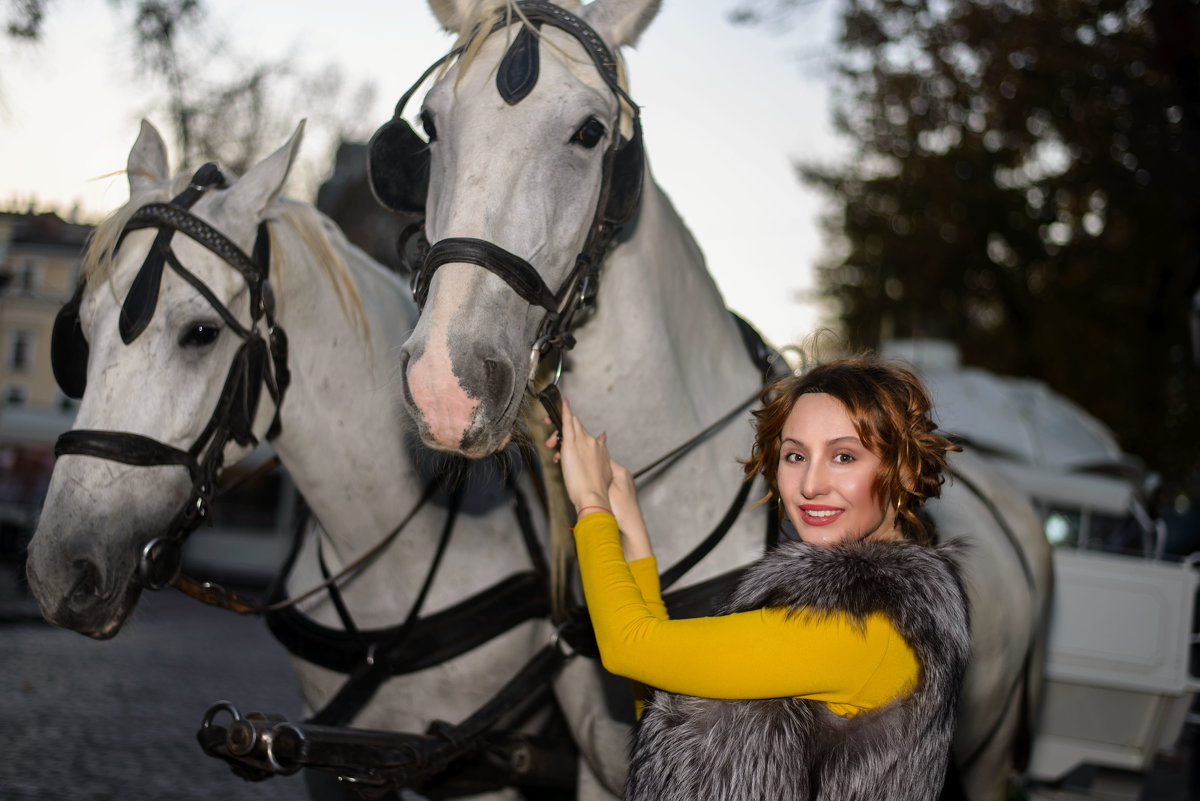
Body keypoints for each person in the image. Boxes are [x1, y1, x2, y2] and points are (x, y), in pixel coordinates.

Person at [547, 355, 970, 801]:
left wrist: (590, 503)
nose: (810, 484)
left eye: (844, 456)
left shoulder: (867, 625)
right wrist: (628, 527)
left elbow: (627, 646)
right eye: (795, 455)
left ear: (903, 470)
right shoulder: (822, 612)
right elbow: (664, 702)